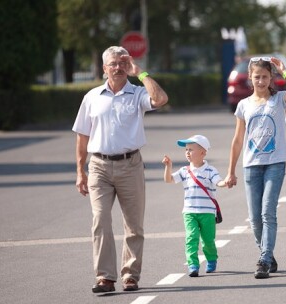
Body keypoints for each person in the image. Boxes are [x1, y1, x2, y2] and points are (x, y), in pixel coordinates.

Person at [73, 46, 169, 293]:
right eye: (113, 63)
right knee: (100, 220)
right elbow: (82, 136)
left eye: (122, 63)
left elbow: (160, 100)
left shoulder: (137, 93)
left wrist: (142, 74)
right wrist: (80, 172)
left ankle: (130, 275)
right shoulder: (92, 97)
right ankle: (105, 277)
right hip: (99, 167)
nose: (118, 67)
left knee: (133, 224)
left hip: (131, 165)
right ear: (104, 68)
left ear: (128, 66)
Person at [224, 56, 286, 279]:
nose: (261, 81)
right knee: (254, 218)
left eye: (265, 77)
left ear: (271, 79)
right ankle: (267, 253)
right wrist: (231, 171)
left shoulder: (279, 99)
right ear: (250, 78)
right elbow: (238, 139)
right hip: (251, 166)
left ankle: (264, 259)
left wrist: (285, 70)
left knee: (268, 212)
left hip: (275, 164)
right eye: (257, 76)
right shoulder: (243, 105)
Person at [162, 135, 227, 277]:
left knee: (208, 240)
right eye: (186, 149)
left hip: (208, 212)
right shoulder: (184, 171)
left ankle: (211, 259)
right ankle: (193, 265)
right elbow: (169, 180)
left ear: (203, 153)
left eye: (191, 149)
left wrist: (225, 183)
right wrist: (168, 167)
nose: (187, 152)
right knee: (191, 237)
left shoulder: (210, 170)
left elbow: (218, 182)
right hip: (189, 212)